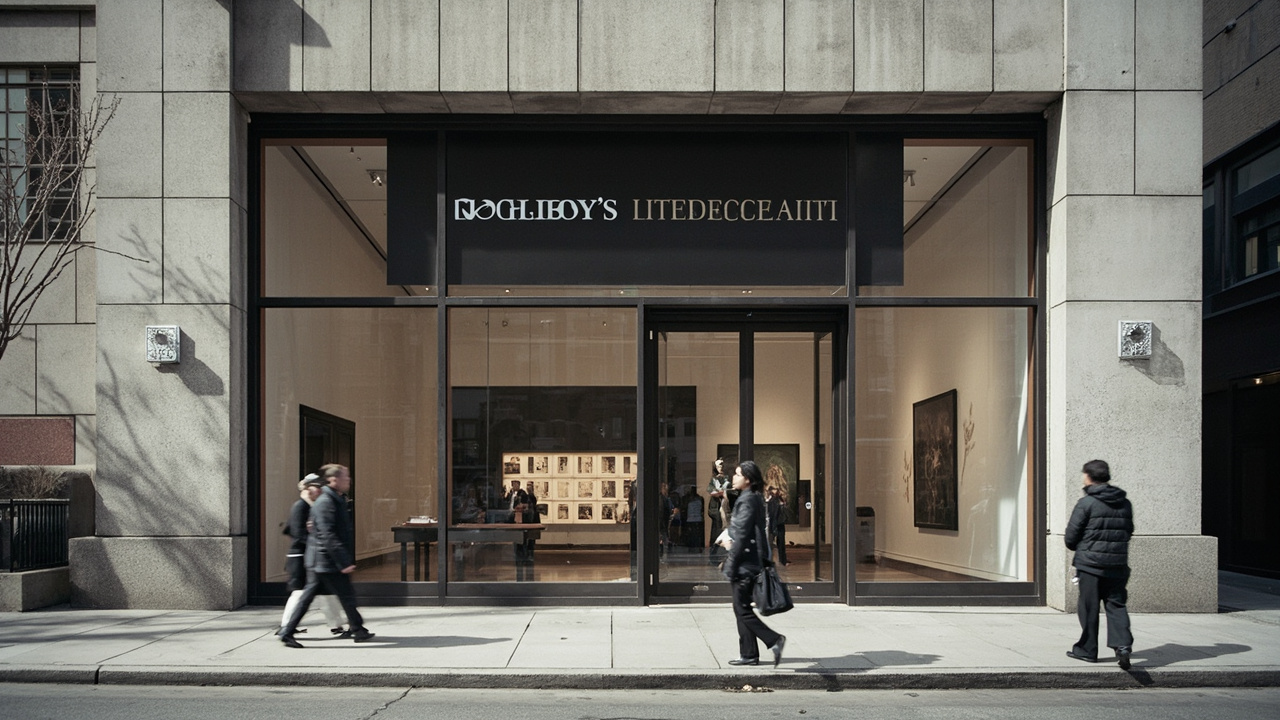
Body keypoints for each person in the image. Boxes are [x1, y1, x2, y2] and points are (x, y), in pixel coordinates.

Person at [277, 464, 375, 648]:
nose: (349, 480)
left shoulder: (333, 499)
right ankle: (288, 631)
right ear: (334, 480)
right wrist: (343, 561)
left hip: (322, 560)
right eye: (345, 477)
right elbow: (326, 533)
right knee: (343, 596)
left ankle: (358, 629)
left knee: (328, 596)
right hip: (324, 560)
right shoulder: (326, 502)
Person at [1065, 459, 1134, 669]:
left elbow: (1071, 537)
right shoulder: (1124, 502)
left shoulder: (1086, 503)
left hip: (1090, 565)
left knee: (1089, 607)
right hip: (1117, 564)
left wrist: (1083, 548)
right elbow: (1128, 531)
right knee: (1116, 605)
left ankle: (1087, 650)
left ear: (1088, 476)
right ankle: (1122, 646)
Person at [722, 460, 786, 667]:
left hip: (744, 562)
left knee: (741, 609)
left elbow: (742, 535)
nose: (734, 477)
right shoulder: (755, 497)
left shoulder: (747, 499)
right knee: (741, 607)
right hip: (751, 560)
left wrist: (731, 562)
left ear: (748, 479)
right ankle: (749, 654)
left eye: (738, 474)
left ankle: (773, 639)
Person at [280, 473, 345, 636]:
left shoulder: (311, 506)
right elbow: (296, 532)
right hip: (300, 557)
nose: (320, 490)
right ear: (308, 488)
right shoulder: (300, 506)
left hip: (310, 556)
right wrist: (317, 541)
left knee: (327, 593)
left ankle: (336, 624)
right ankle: (286, 625)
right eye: (317, 487)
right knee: (300, 593)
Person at [707, 459, 730, 562]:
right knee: (717, 531)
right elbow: (712, 492)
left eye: (721, 465)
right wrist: (722, 493)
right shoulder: (715, 479)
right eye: (718, 466)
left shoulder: (727, 478)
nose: (720, 468)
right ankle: (715, 557)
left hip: (725, 508)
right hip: (717, 509)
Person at [765, 484, 790, 566]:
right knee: (773, 543)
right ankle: (779, 560)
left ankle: (782, 560)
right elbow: (773, 514)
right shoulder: (773, 501)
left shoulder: (777, 500)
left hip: (778, 523)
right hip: (775, 523)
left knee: (779, 543)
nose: (775, 491)